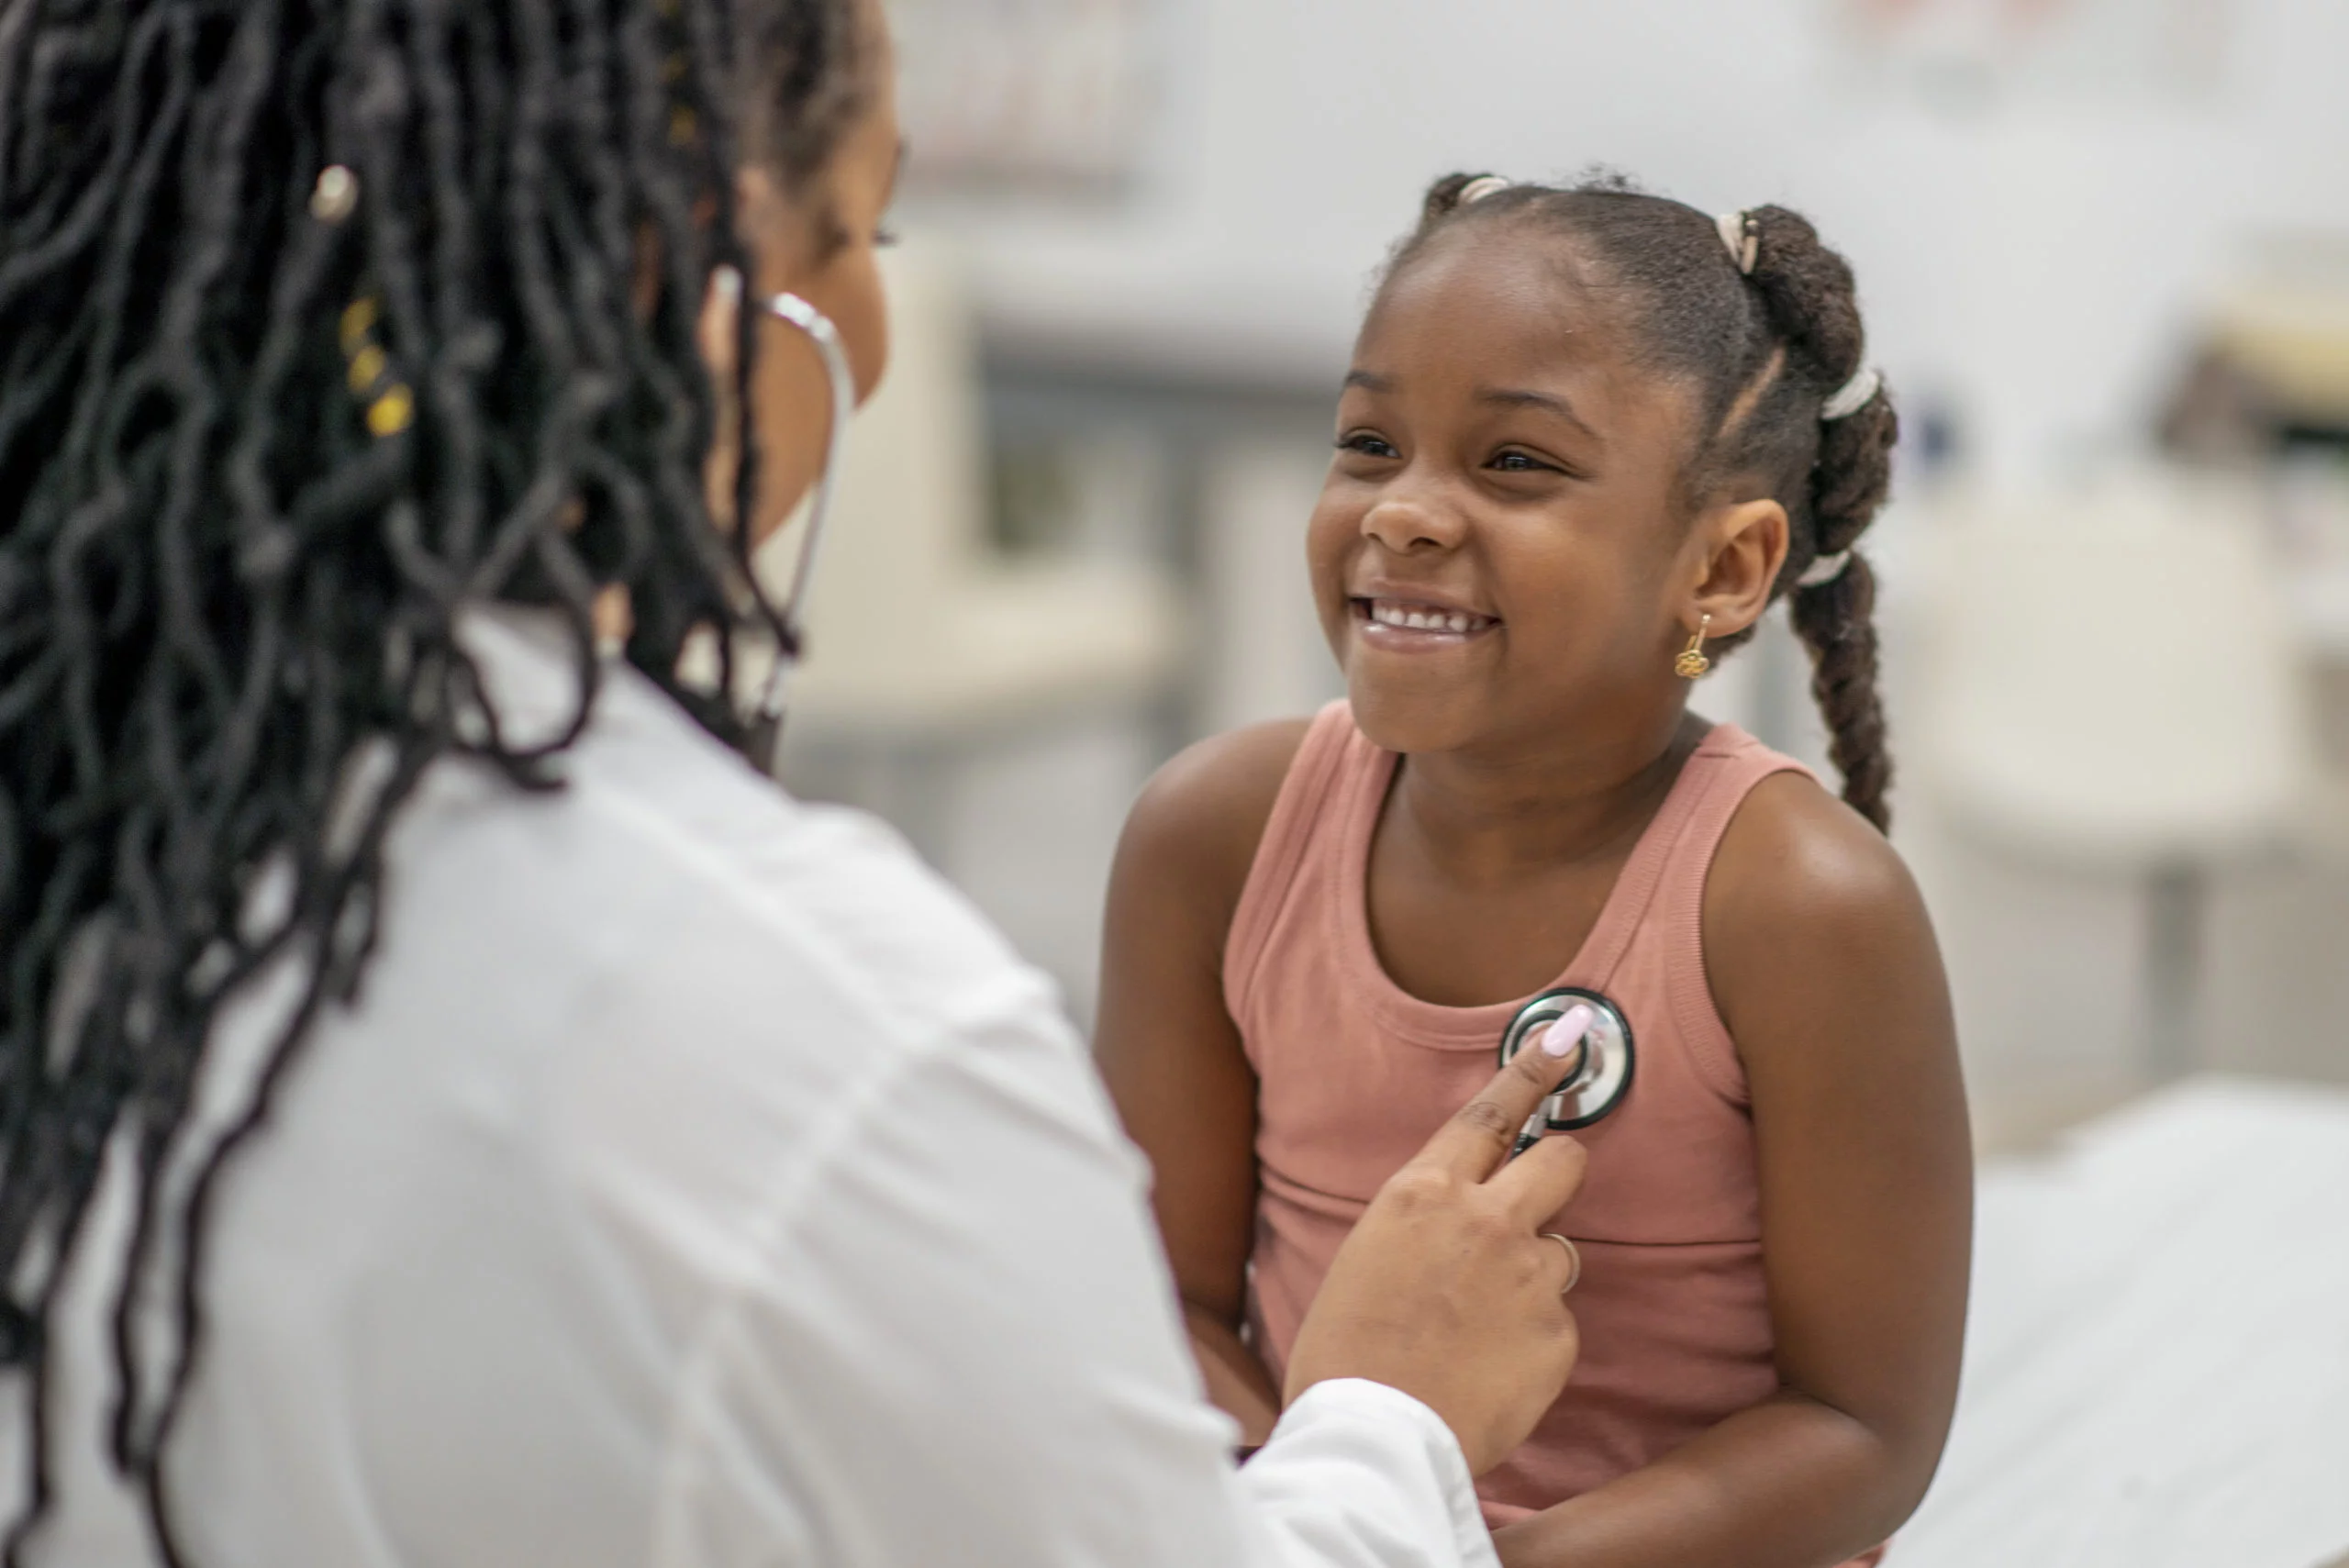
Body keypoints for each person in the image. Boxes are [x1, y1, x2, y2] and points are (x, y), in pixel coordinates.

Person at [0, 5, 1592, 1565]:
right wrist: (1391, 1417)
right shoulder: (843, 1051)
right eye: (864, 237)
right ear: (693, 287)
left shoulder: (93, 822)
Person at [1097, 173, 1975, 1568]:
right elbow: (1157, 1309)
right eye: (1369, 443)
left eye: (1515, 464)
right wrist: (1332, 1509)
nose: (1403, 513)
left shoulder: (1802, 907)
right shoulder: (1213, 838)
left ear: (1727, 570)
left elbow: (1864, 1432)